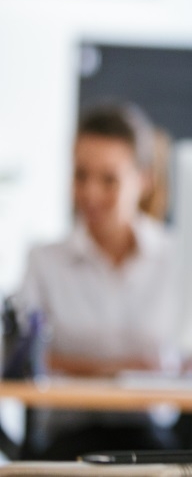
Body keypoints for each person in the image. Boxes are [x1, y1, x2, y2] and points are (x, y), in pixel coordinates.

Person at [14, 102, 180, 458]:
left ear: (144, 179)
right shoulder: (45, 261)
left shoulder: (176, 258)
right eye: (80, 175)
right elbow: (21, 356)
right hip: (67, 437)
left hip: (152, 439)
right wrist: (123, 371)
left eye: (108, 179)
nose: (90, 193)